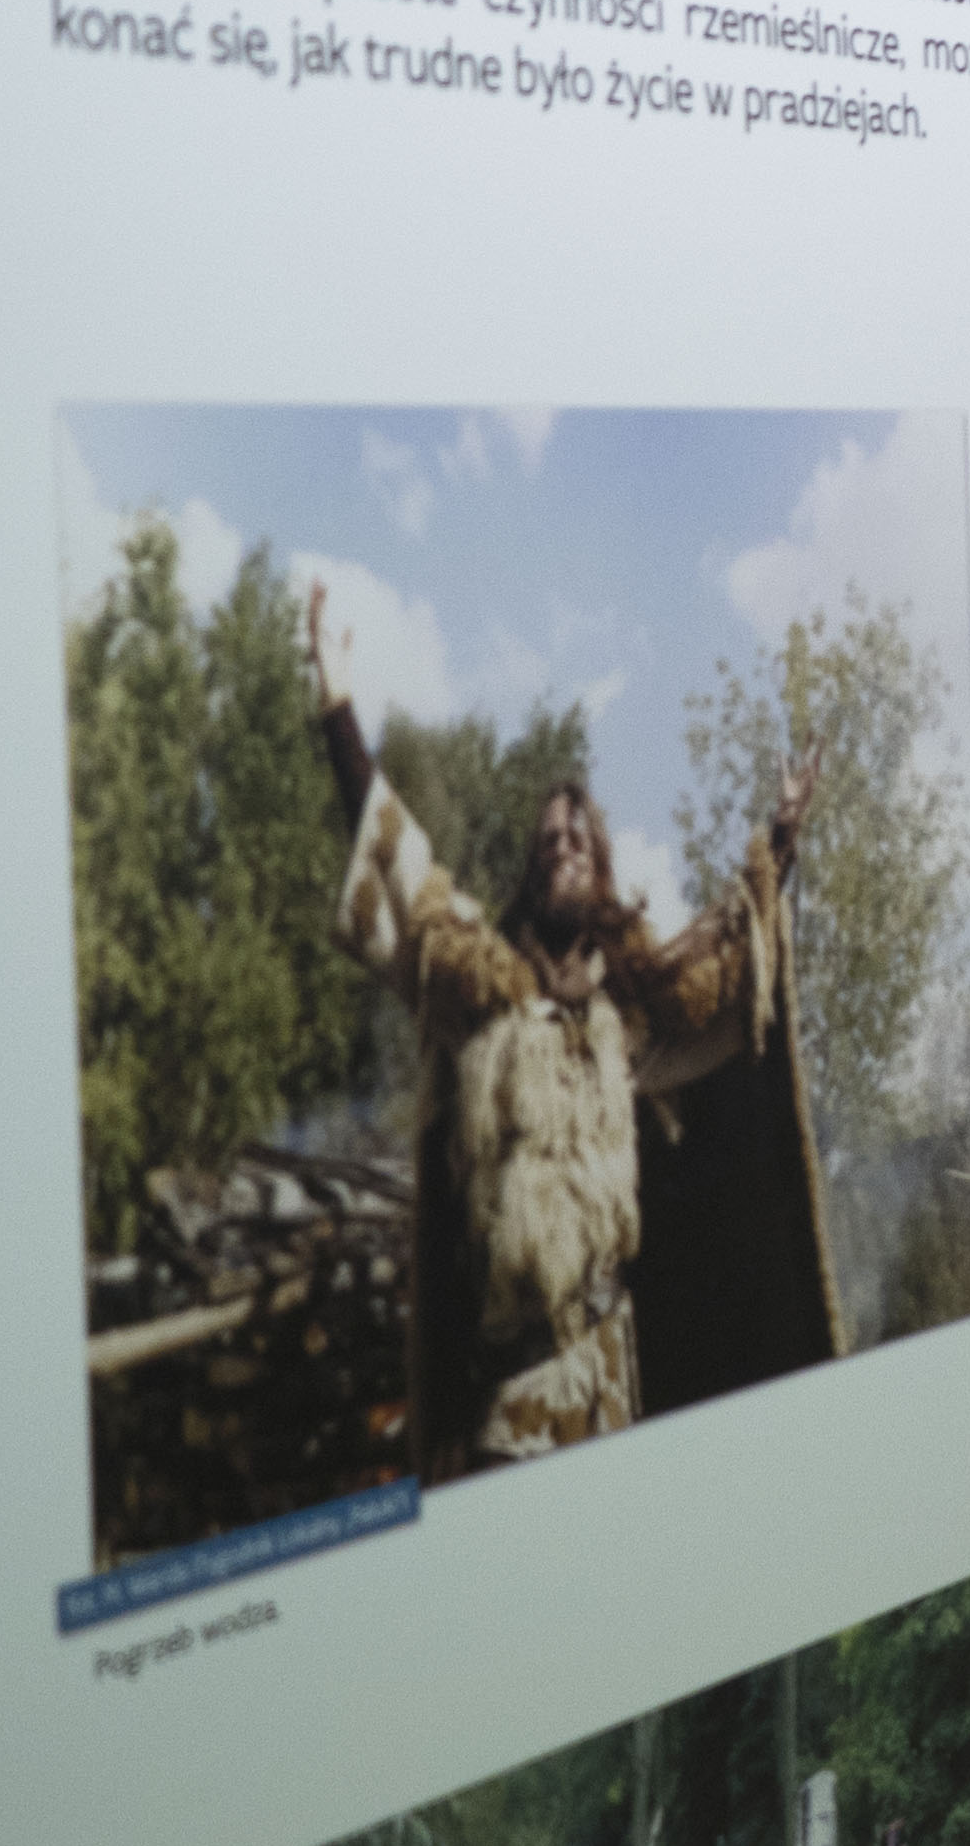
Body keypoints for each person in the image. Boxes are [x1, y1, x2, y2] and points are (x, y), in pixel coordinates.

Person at [316, 583, 818, 1467]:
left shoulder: (630, 1016)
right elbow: (399, 864)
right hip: (514, 1395)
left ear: (601, 866)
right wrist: (338, 710)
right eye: (549, 841)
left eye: (578, 839)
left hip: (611, 1373)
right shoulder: (480, 988)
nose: (563, 848)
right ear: (532, 871)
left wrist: (779, 837)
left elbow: (727, 961)